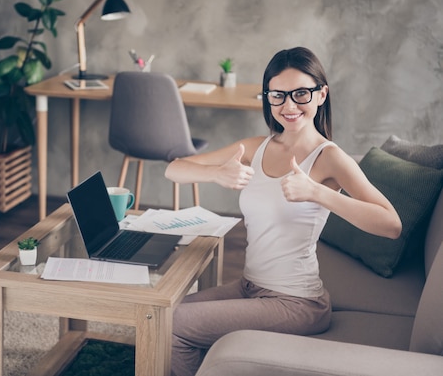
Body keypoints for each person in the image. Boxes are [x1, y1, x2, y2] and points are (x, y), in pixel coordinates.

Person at [164, 46, 402, 376]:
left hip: (298, 303)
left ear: (321, 95)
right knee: (163, 312)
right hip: (250, 287)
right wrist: (216, 173)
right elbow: (174, 169)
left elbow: (391, 224)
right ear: (268, 98)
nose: (289, 106)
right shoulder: (255, 146)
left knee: (175, 323)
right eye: (278, 95)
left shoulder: (329, 157)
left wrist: (318, 193)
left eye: (301, 93)